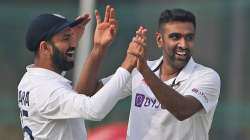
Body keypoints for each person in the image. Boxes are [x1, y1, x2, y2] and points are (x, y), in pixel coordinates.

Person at [81, 8, 221, 140]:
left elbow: (182, 110)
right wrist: (98, 49)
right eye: (175, 37)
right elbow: (86, 95)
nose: (183, 44)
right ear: (160, 40)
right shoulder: (140, 70)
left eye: (189, 38)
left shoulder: (207, 76)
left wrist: (144, 71)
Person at [17, 5, 138, 140]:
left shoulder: (31, 78)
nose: (73, 44)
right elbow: (94, 110)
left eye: (72, 36)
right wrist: (126, 65)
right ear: (45, 47)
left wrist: (98, 48)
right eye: (65, 38)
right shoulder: (46, 90)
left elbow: (81, 95)